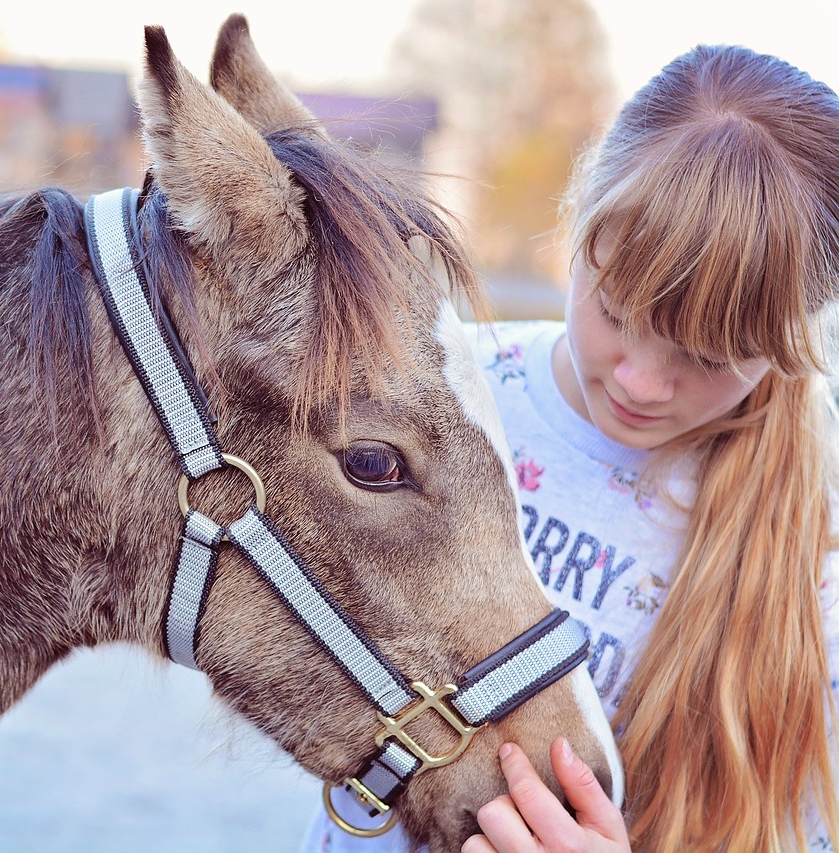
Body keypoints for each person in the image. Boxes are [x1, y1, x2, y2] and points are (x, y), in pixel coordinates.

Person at [300, 43, 839, 852]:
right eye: (619, 310)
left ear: (790, 339)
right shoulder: (441, 404)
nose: (643, 382)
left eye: (709, 357)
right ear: (581, 218)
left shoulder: (817, 566)